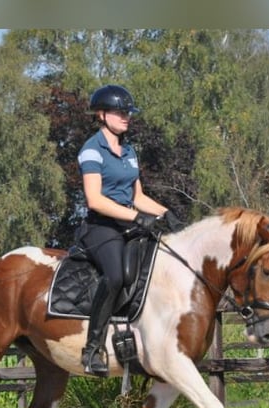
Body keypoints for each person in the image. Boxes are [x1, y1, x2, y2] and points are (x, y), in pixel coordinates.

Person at [76, 84, 183, 376]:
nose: (126, 117)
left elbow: (138, 196)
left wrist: (166, 214)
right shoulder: (91, 151)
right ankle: (92, 348)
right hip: (101, 228)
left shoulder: (129, 151)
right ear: (101, 114)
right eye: (119, 112)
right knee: (115, 276)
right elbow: (95, 200)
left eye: (128, 112)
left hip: (130, 225)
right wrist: (136, 218)